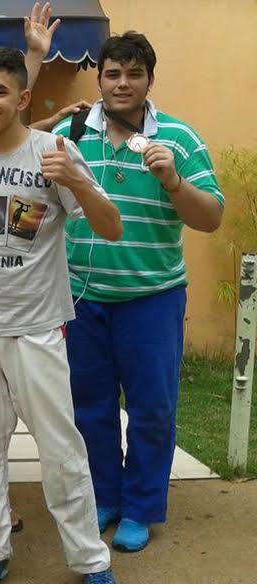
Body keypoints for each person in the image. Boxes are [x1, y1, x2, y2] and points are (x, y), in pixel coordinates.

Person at [0, 47, 122, 584]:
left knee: (60, 447)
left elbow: (111, 226)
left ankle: (90, 559)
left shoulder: (55, 150)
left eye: (0, 92)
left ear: (23, 99)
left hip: (36, 329)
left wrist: (77, 181)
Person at [54, 31, 224, 552]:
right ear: (99, 79)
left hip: (153, 297)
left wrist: (174, 182)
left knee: (152, 409)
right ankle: (104, 496)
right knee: (89, 408)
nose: (122, 83)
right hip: (81, 297)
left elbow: (211, 218)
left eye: (134, 74)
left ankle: (142, 507)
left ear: (150, 79)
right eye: (113, 73)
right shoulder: (69, 132)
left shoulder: (178, 138)